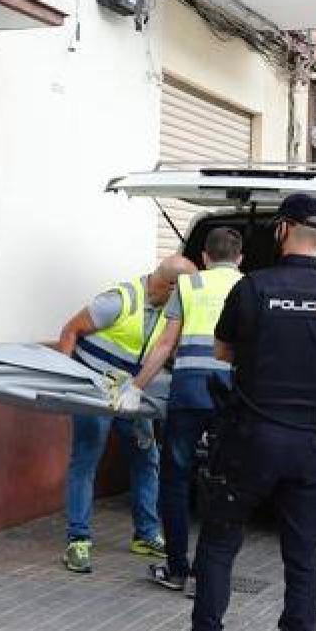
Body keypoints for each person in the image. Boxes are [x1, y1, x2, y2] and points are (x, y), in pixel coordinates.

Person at [170, 194, 316, 631]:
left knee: (218, 545)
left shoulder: (254, 289)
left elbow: (223, 351)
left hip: (250, 437)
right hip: (309, 444)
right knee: (303, 558)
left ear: (283, 230)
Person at [56, 255, 197, 574]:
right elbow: (69, 331)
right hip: (95, 393)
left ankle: (145, 535)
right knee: (86, 460)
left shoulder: (171, 312)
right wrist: (64, 383)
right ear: (172, 286)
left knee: (147, 458)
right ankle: (78, 541)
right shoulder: (119, 301)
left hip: (132, 392)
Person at [130, 228, 245, 591]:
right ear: (239, 259)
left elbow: (166, 343)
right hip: (230, 394)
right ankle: (211, 574)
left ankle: (178, 568)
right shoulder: (250, 287)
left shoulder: (189, 286)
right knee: (226, 482)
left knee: (176, 480)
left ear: (205, 258)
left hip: (189, 393)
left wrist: (136, 387)